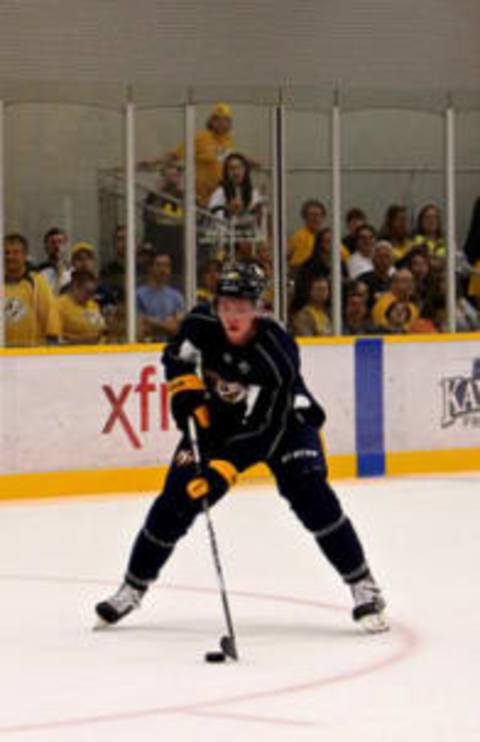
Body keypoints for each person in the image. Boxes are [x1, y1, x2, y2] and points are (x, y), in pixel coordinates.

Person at [95, 263, 388, 634]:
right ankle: (131, 588)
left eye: (241, 307)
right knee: (175, 502)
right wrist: (186, 396)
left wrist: (223, 470)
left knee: (312, 496)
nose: (232, 316)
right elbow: (177, 358)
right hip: (220, 421)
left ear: (258, 308)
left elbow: (265, 428)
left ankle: (363, 586)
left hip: (284, 426)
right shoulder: (201, 322)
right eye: (226, 306)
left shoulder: (277, 351)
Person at [4, 233, 60, 347]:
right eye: (6, 253)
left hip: (31, 354)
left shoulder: (37, 282)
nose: (10, 257)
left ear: (25, 255)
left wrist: (52, 341)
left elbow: (49, 313)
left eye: (15, 252)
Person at [136, 253, 185, 341]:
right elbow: (140, 327)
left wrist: (152, 322)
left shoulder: (176, 296)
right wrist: (166, 323)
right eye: (159, 265)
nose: (163, 270)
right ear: (150, 268)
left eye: (166, 265)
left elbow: (177, 328)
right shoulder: (138, 295)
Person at [56, 269, 106, 344]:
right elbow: (57, 339)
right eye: (87, 292)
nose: (90, 296)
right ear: (75, 286)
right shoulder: (59, 305)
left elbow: (102, 331)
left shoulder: (93, 305)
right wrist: (83, 341)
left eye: (93, 293)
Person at [287, 199, 327, 273]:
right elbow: (289, 261)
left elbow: (345, 258)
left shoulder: (327, 237)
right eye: (312, 215)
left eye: (319, 215)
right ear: (305, 217)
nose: (316, 219)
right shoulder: (297, 237)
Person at [37, 227, 71, 295]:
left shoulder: (73, 271)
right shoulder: (38, 272)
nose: (57, 246)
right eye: (53, 242)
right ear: (46, 247)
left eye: (60, 242)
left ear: (66, 246)